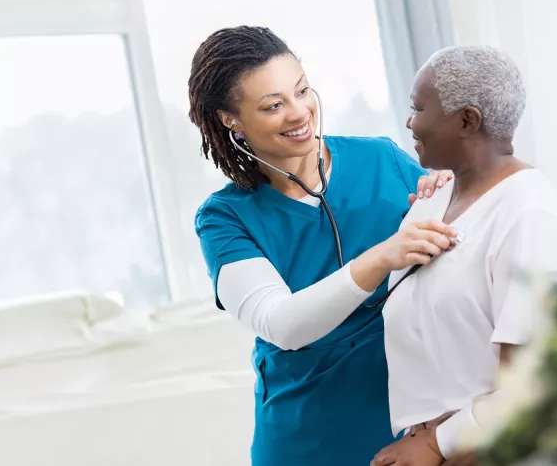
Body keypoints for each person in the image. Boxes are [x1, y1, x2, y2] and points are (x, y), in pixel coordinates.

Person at [189, 26, 455, 466]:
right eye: (273, 105)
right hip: (310, 437)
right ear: (229, 119)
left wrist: (448, 194)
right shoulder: (224, 217)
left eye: (302, 91)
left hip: (415, 423)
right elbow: (282, 325)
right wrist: (384, 254)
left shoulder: (382, 159)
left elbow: (462, 251)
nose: (299, 113)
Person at [371, 46, 557, 466]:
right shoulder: (432, 199)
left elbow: (533, 385)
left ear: (467, 119)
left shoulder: (530, 215)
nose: (410, 122)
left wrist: (438, 444)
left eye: (418, 108)